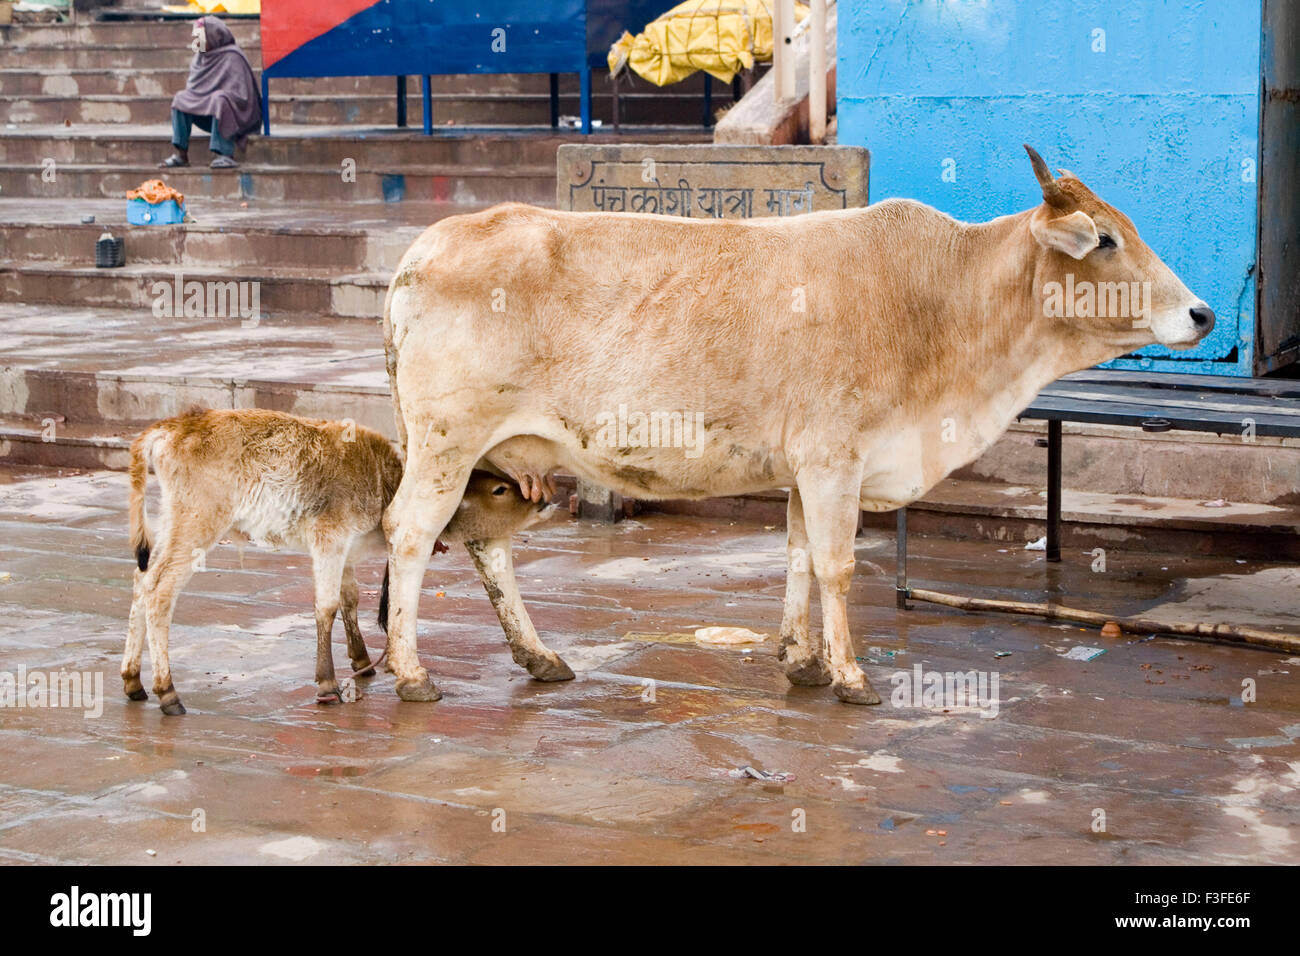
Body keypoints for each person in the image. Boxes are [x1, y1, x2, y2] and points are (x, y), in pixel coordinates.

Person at [159, 17, 262, 170]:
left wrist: (214, 99)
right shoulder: (199, 58)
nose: (196, 41)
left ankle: (225, 154)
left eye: (200, 36)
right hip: (209, 113)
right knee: (181, 98)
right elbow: (194, 90)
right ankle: (182, 155)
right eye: (195, 37)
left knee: (220, 99)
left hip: (237, 117)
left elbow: (242, 98)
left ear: (213, 36)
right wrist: (206, 101)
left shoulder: (233, 56)